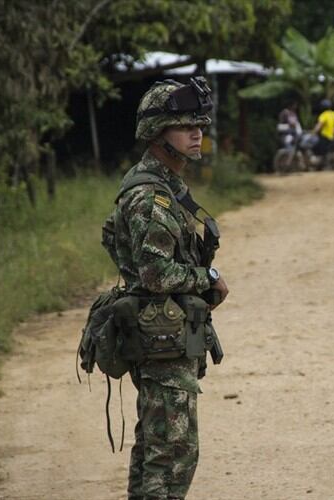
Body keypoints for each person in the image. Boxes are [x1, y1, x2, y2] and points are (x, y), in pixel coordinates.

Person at [104, 78, 229, 500]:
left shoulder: (166, 186)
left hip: (166, 336)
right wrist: (207, 280)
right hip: (161, 340)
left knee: (158, 449)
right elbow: (155, 274)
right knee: (173, 454)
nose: (197, 133)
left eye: (199, 124)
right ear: (157, 135)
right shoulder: (149, 195)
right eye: (184, 126)